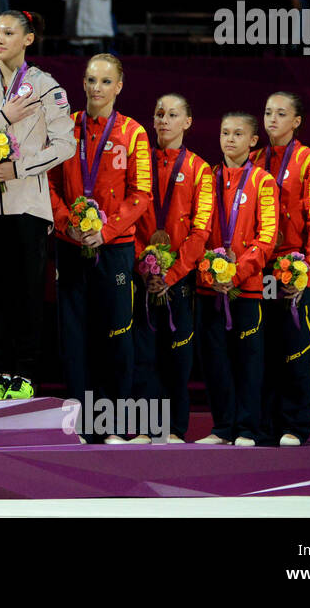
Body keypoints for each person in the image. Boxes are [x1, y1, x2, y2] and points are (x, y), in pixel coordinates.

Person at [0, 10, 74, 400]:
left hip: (28, 204)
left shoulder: (47, 87)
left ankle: (25, 373)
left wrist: (21, 168)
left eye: (8, 32)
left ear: (28, 39)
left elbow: (66, 144)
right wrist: (0, 117)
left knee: (27, 293)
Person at [49, 54, 150, 441]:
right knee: (74, 335)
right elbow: (50, 185)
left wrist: (105, 232)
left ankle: (113, 424)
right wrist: (68, 225)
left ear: (119, 86)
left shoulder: (134, 132)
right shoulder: (65, 126)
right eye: (91, 80)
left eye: (105, 82)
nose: (96, 88)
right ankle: (78, 424)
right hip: (71, 244)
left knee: (116, 334)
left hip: (115, 247)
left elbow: (142, 193)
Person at [131, 93, 214, 443]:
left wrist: (172, 273)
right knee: (143, 355)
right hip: (143, 277)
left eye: (172, 114)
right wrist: (143, 265)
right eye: (159, 113)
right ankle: (146, 429)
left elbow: (201, 230)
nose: (164, 120)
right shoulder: (139, 164)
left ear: (188, 122)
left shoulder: (200, 169)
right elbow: (130, 221)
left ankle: (175, 429)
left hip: (178, 279)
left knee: (177, 356)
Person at [194, 112, 278, 446]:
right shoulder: (208, 178)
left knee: (248, 362)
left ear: (253, 141)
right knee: (214, 362)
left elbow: (267, 235)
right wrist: (209, 271)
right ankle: (222, 428)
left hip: (246, 289)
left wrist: (237, 272)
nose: (230, 139)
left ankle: (246, 429)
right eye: (225, 132)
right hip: (209, 286)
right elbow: (197, 231)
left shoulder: (263, 181)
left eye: (238, 134)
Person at [251, 91, 310, 447]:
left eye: (281, 114)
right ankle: (262, 424)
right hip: (258, 266)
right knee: (261, 348)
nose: (272, 120)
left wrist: (306, 271)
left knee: (295, 346)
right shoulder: (252, 160)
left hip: (293, 265)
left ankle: (294, 426)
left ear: (297, 121)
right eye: (268, 112)